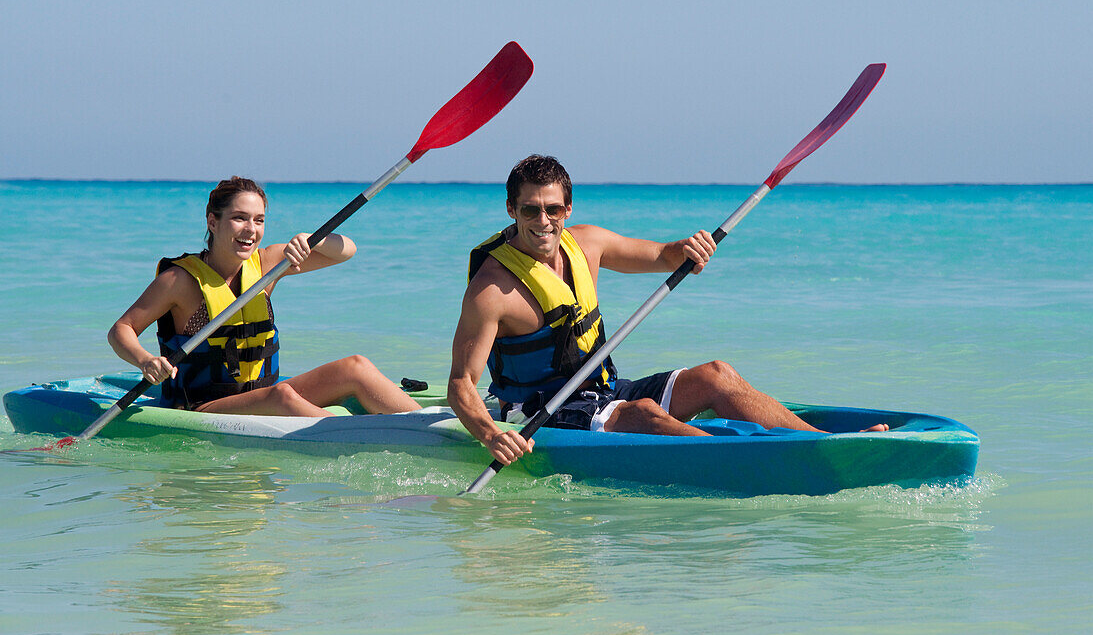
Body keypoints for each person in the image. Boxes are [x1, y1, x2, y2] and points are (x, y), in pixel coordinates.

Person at [448, 155, 886, 465]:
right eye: (530, 209)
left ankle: (826, 445)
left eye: (553, 208)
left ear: (568, 208)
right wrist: (490, 436)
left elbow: (660, 255)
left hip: (599, 390)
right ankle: (753, 463)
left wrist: (686, 248)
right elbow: (461, 384)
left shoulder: (587, 242)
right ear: (512, 209)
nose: (543, 221)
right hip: (537, 409)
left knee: (717, 374)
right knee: (644, 415)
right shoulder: (492, 289)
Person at [108, 176, 420, 417]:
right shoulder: (180, 280)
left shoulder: (269, 263)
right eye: (239, 218)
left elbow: (347, 251)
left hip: (261, 392)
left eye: (259, 220)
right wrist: (145, 360)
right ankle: (367, 438)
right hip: (203, 406)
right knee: (282, 397)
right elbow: (121, 330)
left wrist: (316, 241)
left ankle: (436, 426)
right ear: (212, 222)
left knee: (356, 366)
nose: (251, 229)